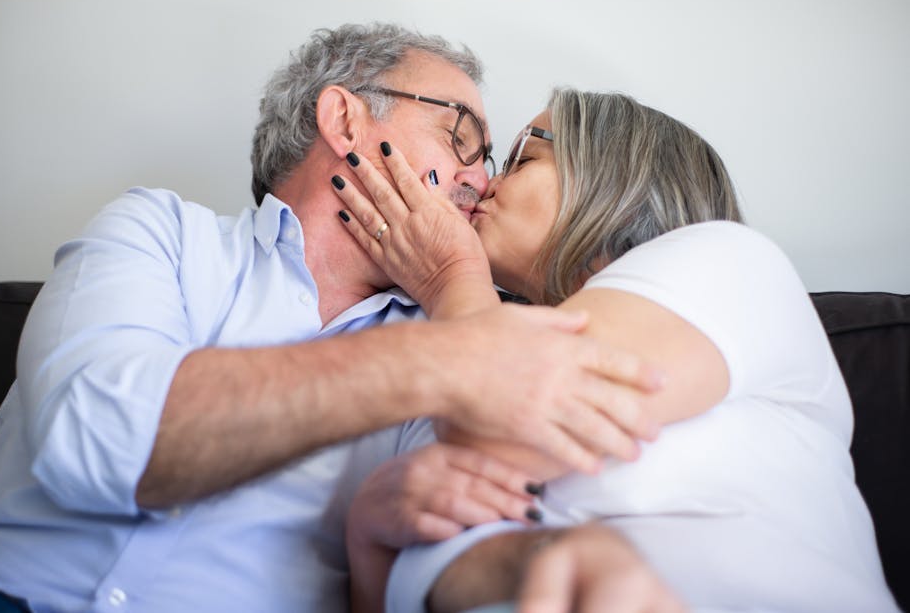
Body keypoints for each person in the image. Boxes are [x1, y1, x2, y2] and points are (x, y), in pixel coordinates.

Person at [0, 26, 664, 612]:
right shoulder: (160, 233)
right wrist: (445, 360)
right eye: (460, 136)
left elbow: (462, 537)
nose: (480, 180)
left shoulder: (452, 322)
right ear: (344, 121)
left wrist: (456, 290)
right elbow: (100, 443)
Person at [332, 89, 899, 612]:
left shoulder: (730, 264)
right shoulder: (453, 363)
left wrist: (451, 276)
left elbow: (500, 422)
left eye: (522, 159)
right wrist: (368, 536)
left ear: (614, 174)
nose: (484, 183)